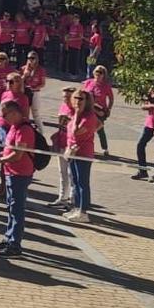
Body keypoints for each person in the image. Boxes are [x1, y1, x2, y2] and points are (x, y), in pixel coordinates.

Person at [0, 98, 38, 257]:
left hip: (20, 173)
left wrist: (1, 160)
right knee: (11, 208)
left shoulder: (24, 129)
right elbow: (10, 149)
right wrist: (3, 155)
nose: (3, 119)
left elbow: (18, 154)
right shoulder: (14, 126)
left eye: (5, 115)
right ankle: (8, 237)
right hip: (10, 171)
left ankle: (15, 245)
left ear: (14, 113)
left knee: (17, 210)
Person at [60, 87, 99, 221]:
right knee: (75, 181)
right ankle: (76, 208)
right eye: (75, 98)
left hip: (83, 153)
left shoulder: (89, 117)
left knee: (82, 182)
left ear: (87, 101)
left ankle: (83, 211)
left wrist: (76, 114)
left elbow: (77, 132)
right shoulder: (73, 114)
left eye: (81, 99)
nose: (77, 101)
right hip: (72, 152)